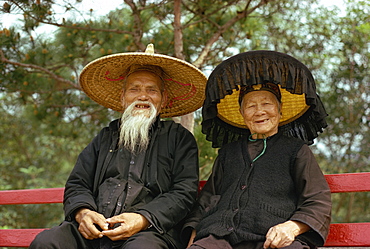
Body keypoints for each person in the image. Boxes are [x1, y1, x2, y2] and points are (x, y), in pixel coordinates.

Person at [30, 44, 207, 249]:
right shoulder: (105, 137)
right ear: (123, 98)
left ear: (163, 99)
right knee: (47, 242)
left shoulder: (179, 138)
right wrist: (84, 213)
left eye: (152, 90)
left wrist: (142, 219)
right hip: (95, 232)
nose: (143, 96)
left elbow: (183, 192)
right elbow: (78, 183)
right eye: (135, 89)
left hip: (149, 233)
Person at [183, 50, 332, 249]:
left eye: (266, 103)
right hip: (220, 238)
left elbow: (317, 200)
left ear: (279, 111)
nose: (259, 111)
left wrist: (292, 227)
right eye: (251, 106)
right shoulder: (228, 153)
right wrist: (194, 238)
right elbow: (206, 201)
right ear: (242, 114)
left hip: (272, 241)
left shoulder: (296, 151)